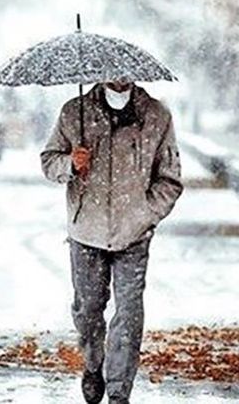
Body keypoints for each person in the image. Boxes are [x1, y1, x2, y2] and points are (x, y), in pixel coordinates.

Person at [41, 80, 183, 404]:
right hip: (86, 232)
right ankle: (94, 364)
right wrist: (70, 164)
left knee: (129, 313)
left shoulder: (157, 117)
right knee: (88, 311)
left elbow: (171, 179)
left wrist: (146, 213)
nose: (117, 78)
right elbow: (49, 161)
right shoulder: (74, 112)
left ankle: (119, 393)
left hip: (133, 235)